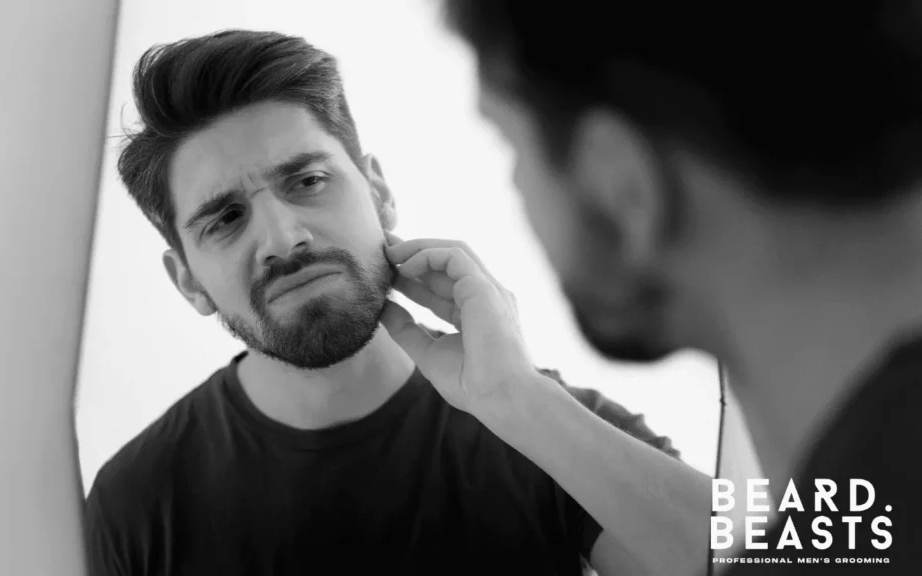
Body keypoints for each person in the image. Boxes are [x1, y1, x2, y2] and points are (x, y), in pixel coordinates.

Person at [84, 29, 713, 576]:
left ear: (378, 193)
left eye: (308, 181)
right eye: (225, 218)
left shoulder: (555, 428)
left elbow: (773, 551)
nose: (282, 238)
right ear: (188, 281)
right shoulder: (130, 504)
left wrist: (519, 401)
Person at [380, 1, 922, 573]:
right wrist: (511, 394)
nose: (517, 186)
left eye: (512, 148)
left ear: (622, 187)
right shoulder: (865, 515)